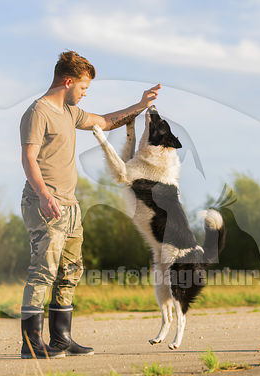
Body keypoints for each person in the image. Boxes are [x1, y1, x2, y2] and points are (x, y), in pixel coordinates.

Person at [19, 50, 160, 358]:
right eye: (83, 88)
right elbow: (28, 157)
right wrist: (44, 194)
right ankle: (31, 344)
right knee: (43, 271)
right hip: (44, 203)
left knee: (70, 271)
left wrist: (140, 105)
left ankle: (61, 339)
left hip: (70, 206)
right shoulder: (38, 112)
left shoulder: (70, 112)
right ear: (68, 81)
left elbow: (106, 122)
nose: (85, 94)